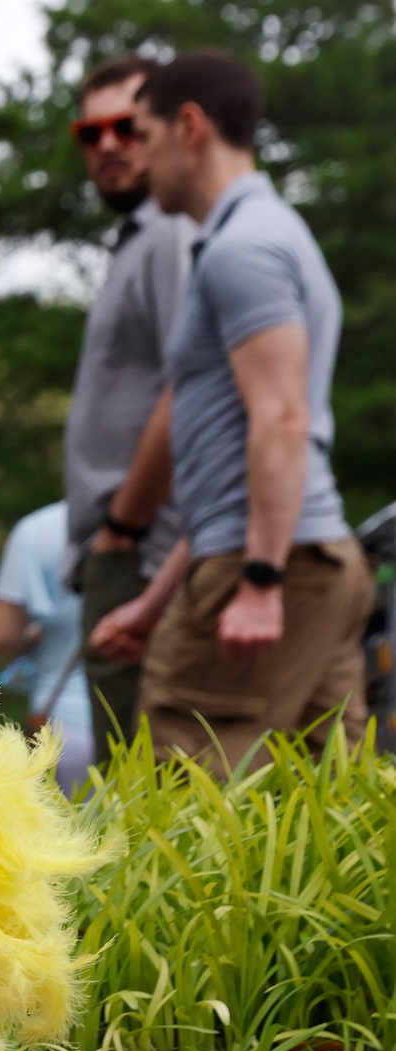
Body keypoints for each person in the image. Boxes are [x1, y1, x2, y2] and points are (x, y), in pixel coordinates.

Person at [90, 52, 372, 773]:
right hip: (313, 559)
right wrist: (153, 604)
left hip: (280, 566)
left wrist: (259, 583)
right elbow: (233, 470)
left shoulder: (243, 250)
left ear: (190, 127)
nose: (139, 160)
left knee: (177, 789)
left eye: (145, 136)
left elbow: (281, 422)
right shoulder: (267, 237)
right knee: (327, 805)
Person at [60, 56, 195, 754]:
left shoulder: (171, 235)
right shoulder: (138, 240)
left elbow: (194, 383)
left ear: (166, 127)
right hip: (131, 549)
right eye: (91, 132)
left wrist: (123, 526)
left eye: (125, 126)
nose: (108, 144)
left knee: (146, 795)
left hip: (147, 552)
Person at [0, 500, 94, 794]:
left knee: (77, 834)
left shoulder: (37, 528)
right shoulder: (178, 518)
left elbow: (2, 634)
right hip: (168, 722)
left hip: (66, 726)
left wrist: (34, 634)